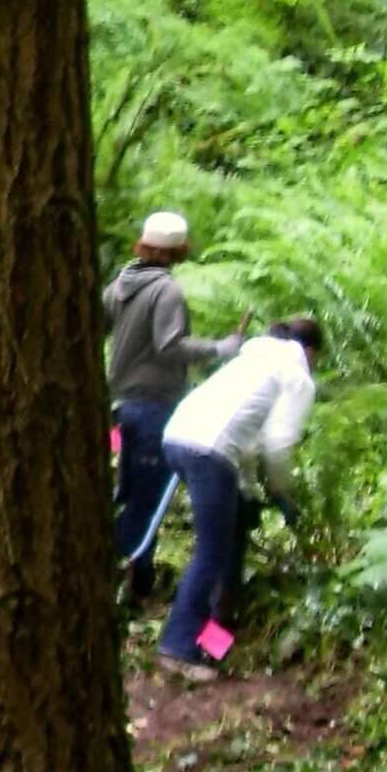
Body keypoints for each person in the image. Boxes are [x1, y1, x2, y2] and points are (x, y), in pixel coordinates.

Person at [157, 313, 321, 680]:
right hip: (208, 451)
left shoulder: (251, 359)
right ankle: (177, 645)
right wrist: (283, 495)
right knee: (213, 550)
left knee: (233, 535)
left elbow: (245, 435)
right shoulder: (295, 375)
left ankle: (215, 636)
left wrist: (246, 491)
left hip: (179, 437)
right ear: (310, 352)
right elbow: (276, 447)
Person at [103, 210, 241, 600]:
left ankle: (137, 581)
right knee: (146, 501)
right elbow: (170, 346)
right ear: (179, 250)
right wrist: (219, 348)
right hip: (153, 407)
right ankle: (120, 583)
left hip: (121, 406)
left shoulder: (120, 283)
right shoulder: (167, 291)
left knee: (131, 494)